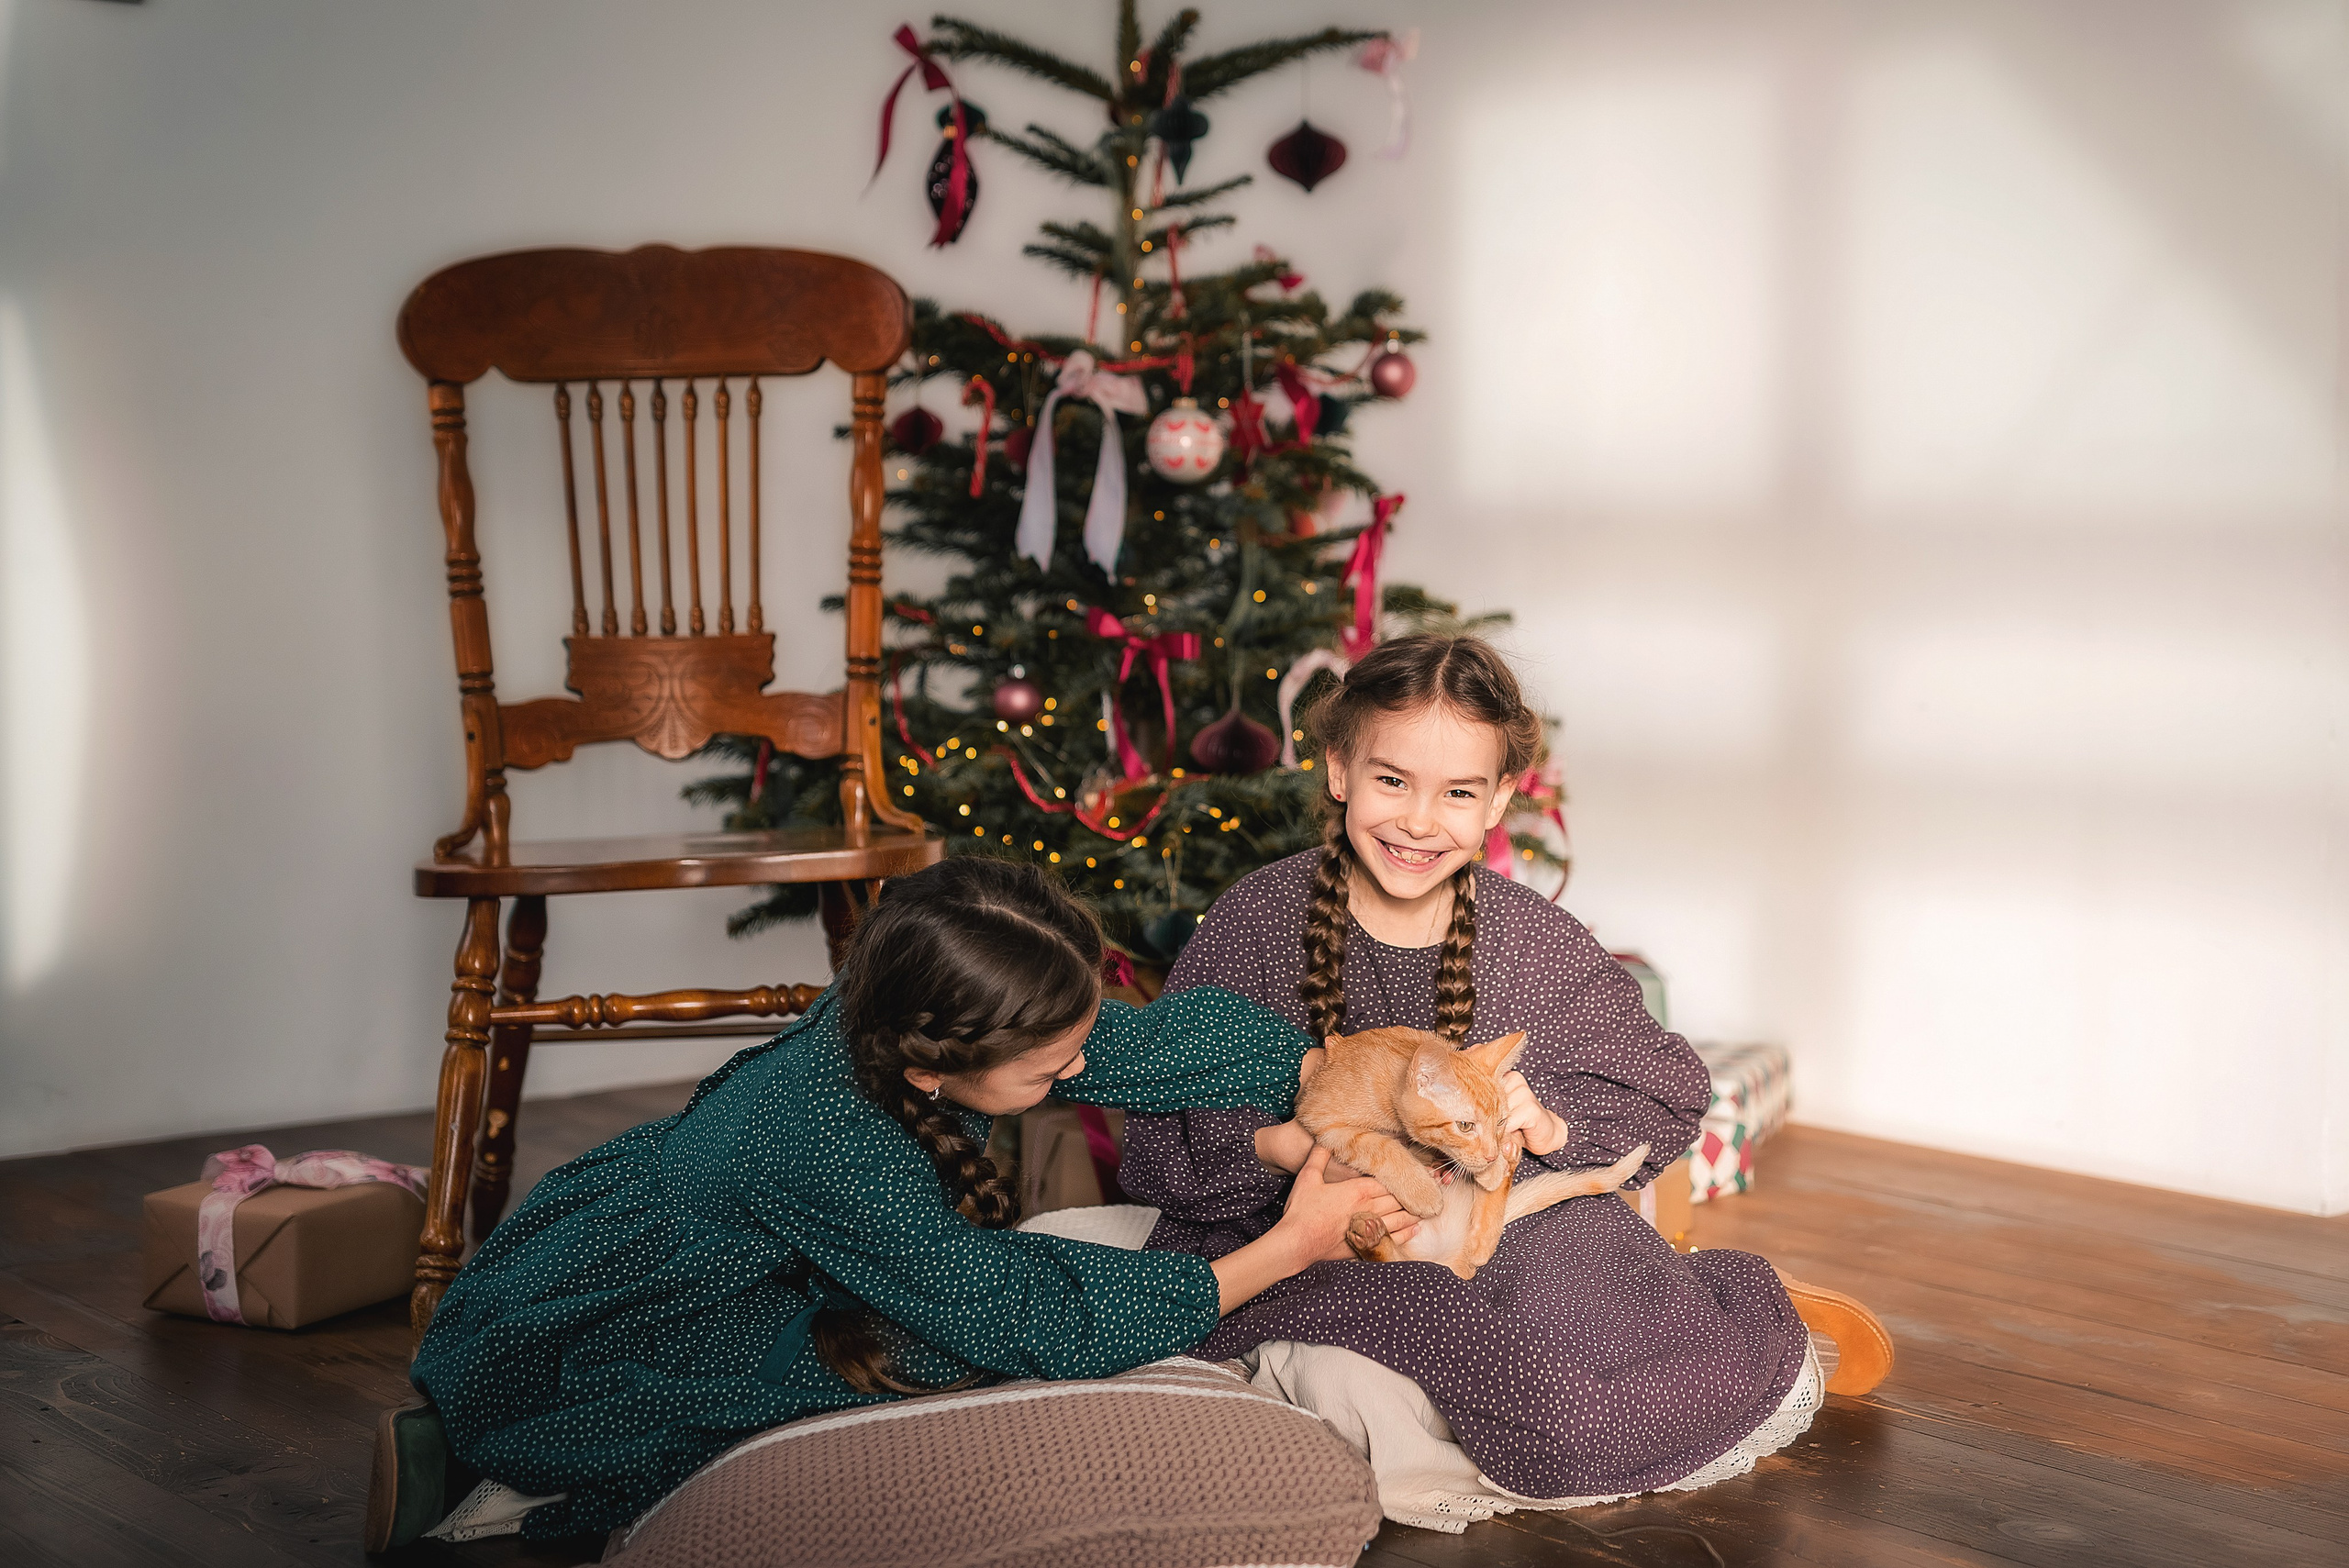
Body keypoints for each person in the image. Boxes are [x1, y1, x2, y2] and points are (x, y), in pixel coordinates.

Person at [370, 858, 1408, 1550]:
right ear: (932, 1068)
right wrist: (1285, 1247)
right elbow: (1016, 1305)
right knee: (937, 1356)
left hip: (757, 1243)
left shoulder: (915, 992)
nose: (1077, 1069)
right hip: (620, 1319)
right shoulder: (832, 1145)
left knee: (937, 1318)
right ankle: (495, 1466)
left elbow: (1128, 1042)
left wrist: (1322, 1071)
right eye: (1048, 1070)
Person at [1117, 633, 1892, 1507]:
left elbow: (1672, 1090)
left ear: (1499, 800)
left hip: (1490, 1218)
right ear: (1338, 770)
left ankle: (1660, 1351)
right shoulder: (1257, 920)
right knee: (1434, 1367)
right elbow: (1155, 1149)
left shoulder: (1531, 938)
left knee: (1624, 1321)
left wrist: (1551, 1123)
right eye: (1391, 780)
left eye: (1457, 792)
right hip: (1321, 1233)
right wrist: (1291, 1154)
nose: (1419, 820)